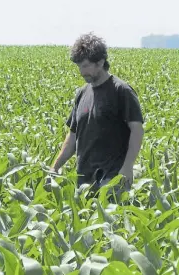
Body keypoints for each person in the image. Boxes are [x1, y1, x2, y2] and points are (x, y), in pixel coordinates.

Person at [48, 33, 145, 198]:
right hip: (84, 179)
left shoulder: (120, 91)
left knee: (111, 221)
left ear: (100, 62)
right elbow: (72, 136)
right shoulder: (82, 94)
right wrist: (55, 167)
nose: (81, 72)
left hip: (112, 177)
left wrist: (128, 167)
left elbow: (137, 130)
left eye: (85, 66)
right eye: (79, 67)